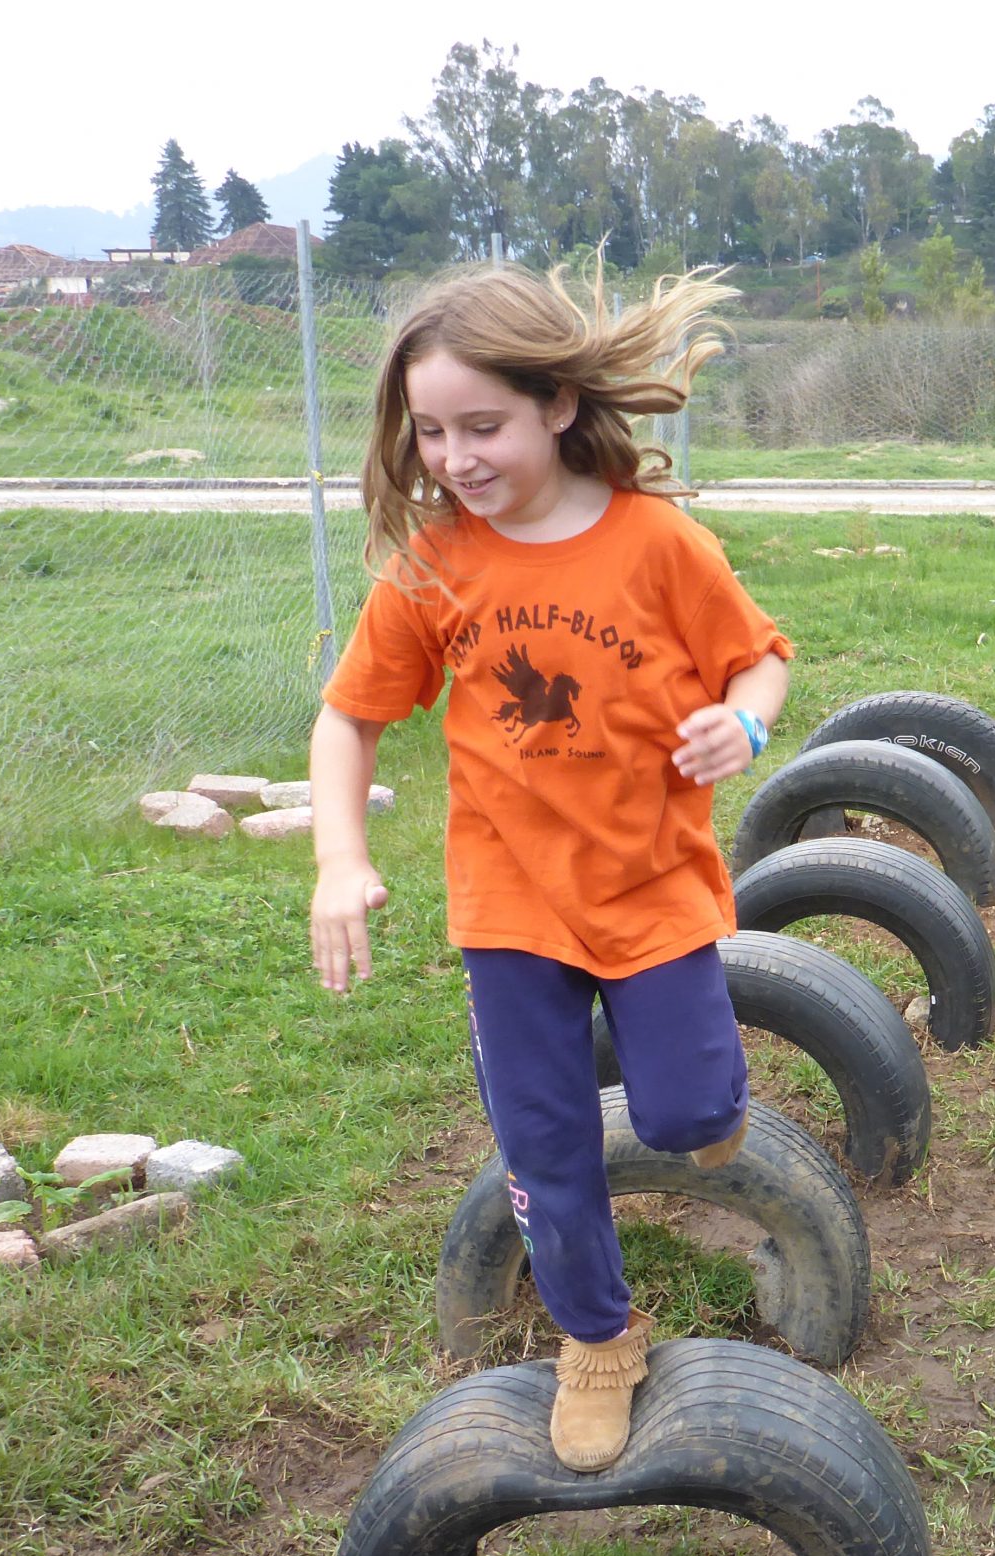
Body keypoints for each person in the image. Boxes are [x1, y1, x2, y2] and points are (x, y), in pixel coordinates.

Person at [306, 260, 791, 1474]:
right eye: (430, 430)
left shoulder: (656, 543)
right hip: (508, 902)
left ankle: (714, 1104)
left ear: (558, 407)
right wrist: (337, 858)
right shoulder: (436, 564)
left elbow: (760, 660)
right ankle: (598, 1337)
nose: (455, 457)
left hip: (650, 884)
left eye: (484, 426)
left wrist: (749, 723)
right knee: (545, 1144)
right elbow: (347, 720)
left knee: (684, 1114)